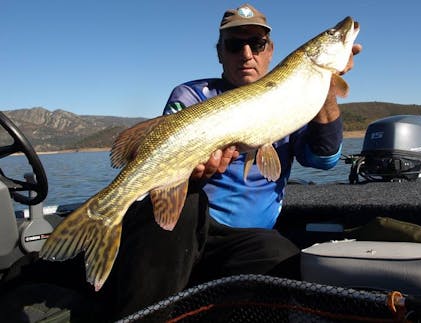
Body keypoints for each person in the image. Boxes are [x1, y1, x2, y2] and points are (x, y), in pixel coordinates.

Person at [99, 3, 362, 319]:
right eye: (235, 44)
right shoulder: (193, 94)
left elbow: (324, 158)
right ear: (220, 52)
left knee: (283, 260)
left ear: (270, 50)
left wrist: (327, 84)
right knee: (186, 201)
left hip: (246, 241)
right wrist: (195, 175)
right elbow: (162, 156)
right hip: (189, 230)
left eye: (257, 44)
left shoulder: (294, 97)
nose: (247, 53)